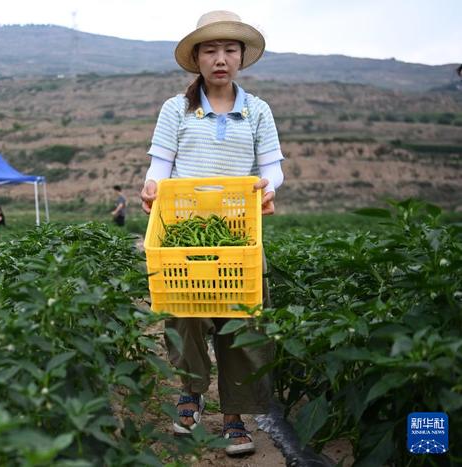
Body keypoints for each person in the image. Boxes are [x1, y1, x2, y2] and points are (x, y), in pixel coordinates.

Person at [139, 11, 285, 456]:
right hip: (185, 229)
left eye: (229, 49)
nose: (220, 58)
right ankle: (191, 390)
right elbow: (161, 165)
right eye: (210, 50)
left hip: (239, 231)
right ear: (197, 59)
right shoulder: (176, 108)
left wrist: (267, 188)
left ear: (241, 57)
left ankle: (235, 416)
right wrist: (150, 185)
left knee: (239, 321)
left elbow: (272, 169)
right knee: (183, 315)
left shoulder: (258, 110)